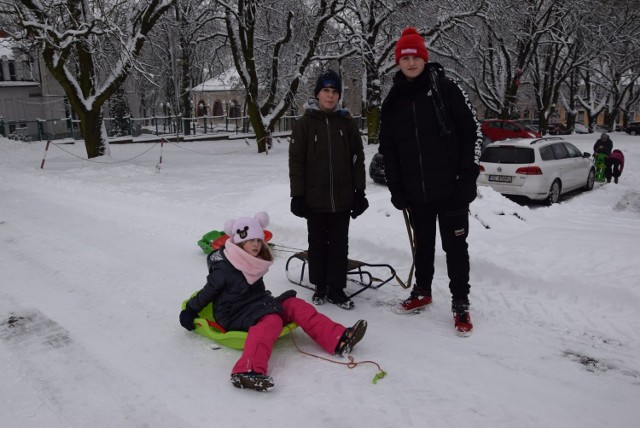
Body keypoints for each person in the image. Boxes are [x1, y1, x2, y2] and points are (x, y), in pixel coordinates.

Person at [179, 212, 367, 392]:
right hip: (233, 314)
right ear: (240, 241)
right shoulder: (225, 269)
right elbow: (207, 292)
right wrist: (189, 310)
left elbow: (256, 292)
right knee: (272, 320)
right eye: (251, 240)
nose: (256, 245)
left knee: (294, 304)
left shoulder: (253, 260)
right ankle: (247, 371)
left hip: (256, 305)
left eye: (258, 240)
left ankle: (338, 339)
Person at [378, 27, 482, 336]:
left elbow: (472, 132)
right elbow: (389, 150)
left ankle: (460, 303)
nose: (410, 63)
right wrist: (397, 188)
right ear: (398, 62)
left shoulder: (445, 89)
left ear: (424, 58)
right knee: (422, 246)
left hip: (451, 190)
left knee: (456, 248)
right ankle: (422, 291)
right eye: (404, 57)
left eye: (415, 56)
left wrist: (468, 176)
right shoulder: (393, 101)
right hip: (416, 193)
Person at [289, 69, 368, 310]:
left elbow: (358, 158)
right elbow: (296, 162)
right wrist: (298, 195)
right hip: (315, 197)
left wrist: (359, 192)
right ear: (317, 94)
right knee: (317, 243)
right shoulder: (304, 124)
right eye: (326, 91)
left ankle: (336, 288)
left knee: (339, 244)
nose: (330, 96)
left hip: (342, 198)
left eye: (334, 92)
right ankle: (320, 286)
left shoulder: (347, 123)